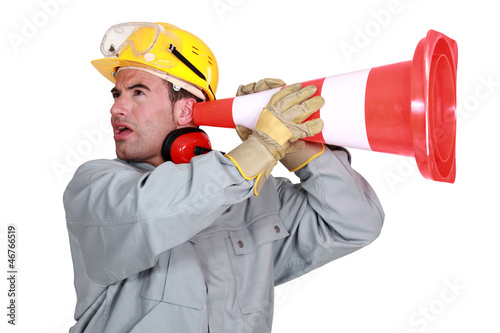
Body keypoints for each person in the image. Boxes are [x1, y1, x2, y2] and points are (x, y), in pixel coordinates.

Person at [63, 22, 384, 333]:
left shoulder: (258, 198)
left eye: (137, 92)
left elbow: (356, 222)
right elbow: (153, 213)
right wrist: (261, 148)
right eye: (116, 94)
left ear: (186, 111)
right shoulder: (96, 185)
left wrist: (296, 148)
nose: (116, 108)